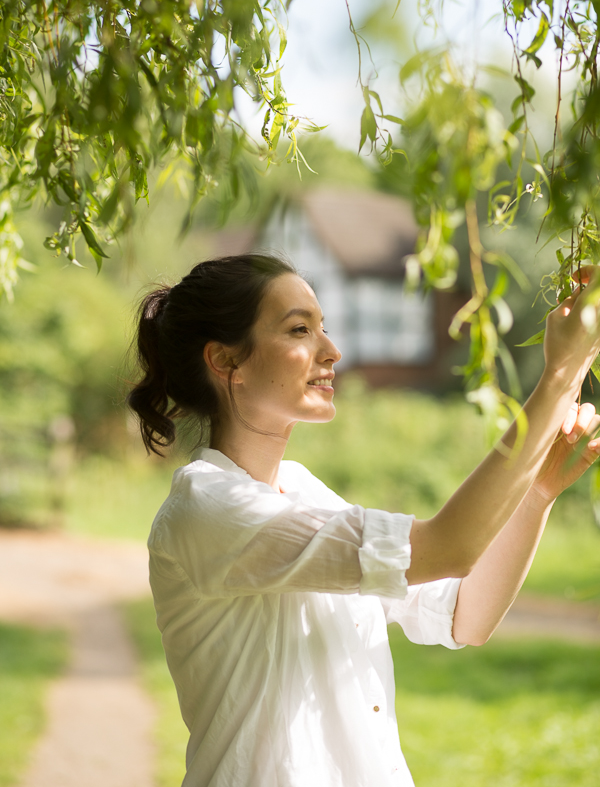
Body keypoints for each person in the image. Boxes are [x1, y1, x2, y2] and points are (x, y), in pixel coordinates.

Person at [128, 253, 600, 787]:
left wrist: (536, 493)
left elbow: (464, 616)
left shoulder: (303, 490)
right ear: (225, 360)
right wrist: (558, 375)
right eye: (300, 330)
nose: (331, 351)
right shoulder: (208, 508)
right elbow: (446, 547)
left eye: (323, 328)